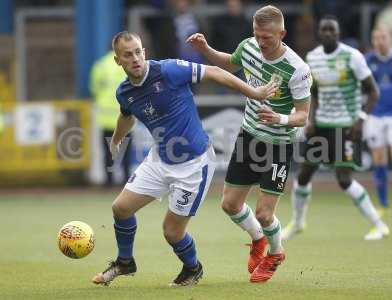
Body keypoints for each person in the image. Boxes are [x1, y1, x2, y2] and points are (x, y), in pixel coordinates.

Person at [92, 31, 277, 286]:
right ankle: (125, 263)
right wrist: (115, 139)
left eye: (138, 51)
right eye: (127, 55)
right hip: (159, 160)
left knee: (171, 231)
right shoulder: (124, 92)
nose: (135, 58)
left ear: (144, 52)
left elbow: (215, 72)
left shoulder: (168, 70)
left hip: (194, 165)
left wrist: (254, 93)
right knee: (120, 209)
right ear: (118, 61)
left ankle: (192, 268)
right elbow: (127, 115)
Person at [187, 5, 312, 283]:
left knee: (264, 213)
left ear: (282, 33)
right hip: (249, 136)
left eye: (267, 37)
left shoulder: (298, 69)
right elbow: (229, 62)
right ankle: (258, 240)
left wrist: (279, 118)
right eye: (257, 35)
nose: (261, 42)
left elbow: (303, 116)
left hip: (279, 144)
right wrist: (205, 48)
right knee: (230, 204)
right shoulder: (250, 47)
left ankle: (276, 252)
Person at [281, 16, 390, 242]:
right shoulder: (313, 57)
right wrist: (311, 119)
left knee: (343, 179)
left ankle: (379, 225)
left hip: (346, 126)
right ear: (320, 34)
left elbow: (373, 91)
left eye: (332, 29)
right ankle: (298, 222)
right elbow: (315, 92)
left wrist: (360, 120)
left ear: (338, 33)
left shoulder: (353, 56)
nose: (329, 33)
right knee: (303, 175)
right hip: (321, 125)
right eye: (325, 30)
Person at [364, 26, 392, 216]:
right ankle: (383, 203)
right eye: (375, 38)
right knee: (379, 159)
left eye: (383, 37)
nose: (379, 41)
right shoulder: (368, 60)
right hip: (375, 115)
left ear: (390, 39)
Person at [90, 51, 131, 186]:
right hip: (126, 116)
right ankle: (127, 180)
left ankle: (109, 181)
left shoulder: (100, 65)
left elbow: (94, 89)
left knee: (108, 152)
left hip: (106, 117)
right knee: (126, 152)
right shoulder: (128, 64)